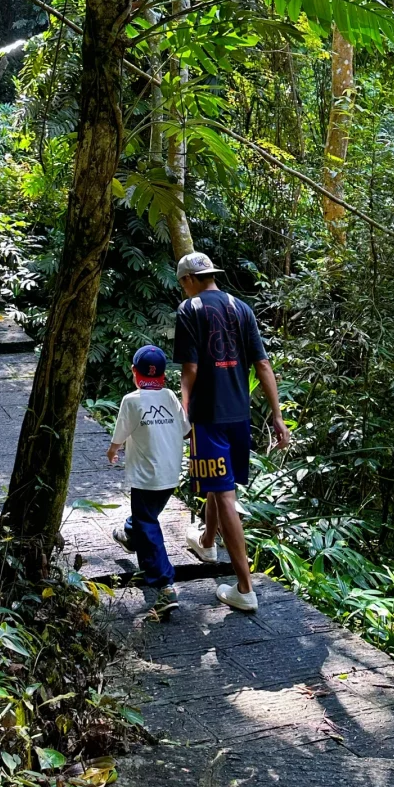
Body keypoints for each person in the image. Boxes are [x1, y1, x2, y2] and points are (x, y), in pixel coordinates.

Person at [173, 251, 289, 613]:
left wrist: (184, 410)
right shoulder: (242, 308)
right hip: (239, 414)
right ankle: (207, 541)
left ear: (189, 280)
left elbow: (190, 369)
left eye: (182, 283)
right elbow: (263, 364)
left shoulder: (189, 310)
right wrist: (277, 415)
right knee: (221, 481)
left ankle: (244, 588)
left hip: (208, 416)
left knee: (224, 495)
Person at [106, 344, 189, 614]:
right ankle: (130, 534)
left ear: (134, 371)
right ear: (163, 374)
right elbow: (186, 430)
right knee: (146, 515)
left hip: (145, 476)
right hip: (170, 473)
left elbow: (120, 433)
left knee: (148, 523)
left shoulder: (131, 400)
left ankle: (165, 584)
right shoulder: (170, 396)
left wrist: (113, 450)